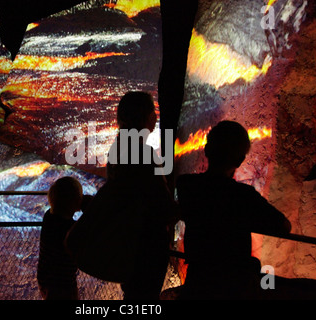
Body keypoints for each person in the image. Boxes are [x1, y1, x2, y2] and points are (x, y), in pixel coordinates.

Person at [176, 120, 291, 299]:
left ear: (207, 150)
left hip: (198, 281)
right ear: (239, 160)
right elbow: (283, 225)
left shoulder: (187, 186)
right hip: (232, 286)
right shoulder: (242, 196)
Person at [106, 91, 177, 300]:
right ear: (144, 116)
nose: (155, 117)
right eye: (153, 112)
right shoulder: (141, 152)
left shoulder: (118, 148)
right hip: (147, 245)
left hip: (128, 241)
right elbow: (160, 203)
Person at [37, 176, 85, 300]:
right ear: (74, 201)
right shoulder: (70, 228)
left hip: (46, 280)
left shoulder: (49, 217)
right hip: (62, 284)